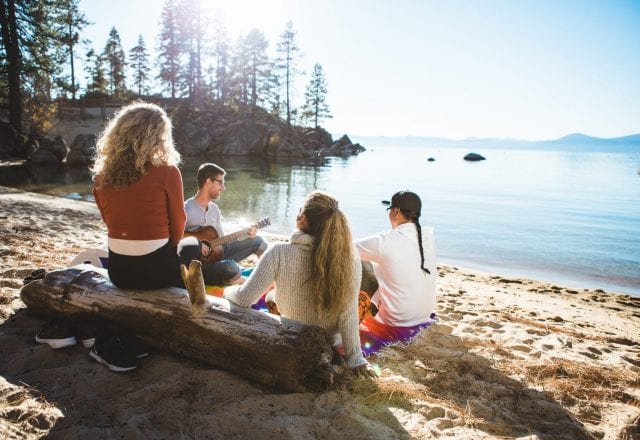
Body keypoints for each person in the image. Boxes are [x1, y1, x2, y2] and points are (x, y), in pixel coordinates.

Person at [223, 191, 376, 378]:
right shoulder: (350, 258)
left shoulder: (278, 252)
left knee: (271, 296)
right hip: (330, 343)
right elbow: (348, 313)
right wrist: (355, 359)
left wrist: (228, 290)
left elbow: (244, 299)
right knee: (358, 298)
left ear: (302, 219)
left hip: (293, 335)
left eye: (300, 210)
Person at [88, 101, 189, 372]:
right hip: (157, 271)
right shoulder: (168, 172)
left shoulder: (101, 177)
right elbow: (178, 223)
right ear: (157, 136)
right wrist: (170, 249)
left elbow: (109, 221)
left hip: (119, 271)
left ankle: (116, 339)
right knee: (191, 256)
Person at [354, 190, 437, 354]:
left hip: (395, 323)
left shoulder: (386, 241)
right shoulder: (427, 236)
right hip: (421, 317)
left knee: (361, 263)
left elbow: (343, 248)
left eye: (389, 210)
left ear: (396, 212)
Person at [182, 162, 267, 285]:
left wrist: (246, 234)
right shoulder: (186, 209)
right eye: (220, 182)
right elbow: (173, 237)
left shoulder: (214, 209)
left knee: (259, 242)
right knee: (231, 267)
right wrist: (197, 244)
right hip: (199, 266)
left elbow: (222, 240)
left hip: (217, 253)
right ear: (208, 182)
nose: (223, 187)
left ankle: (265, 280)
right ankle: (238, 280)